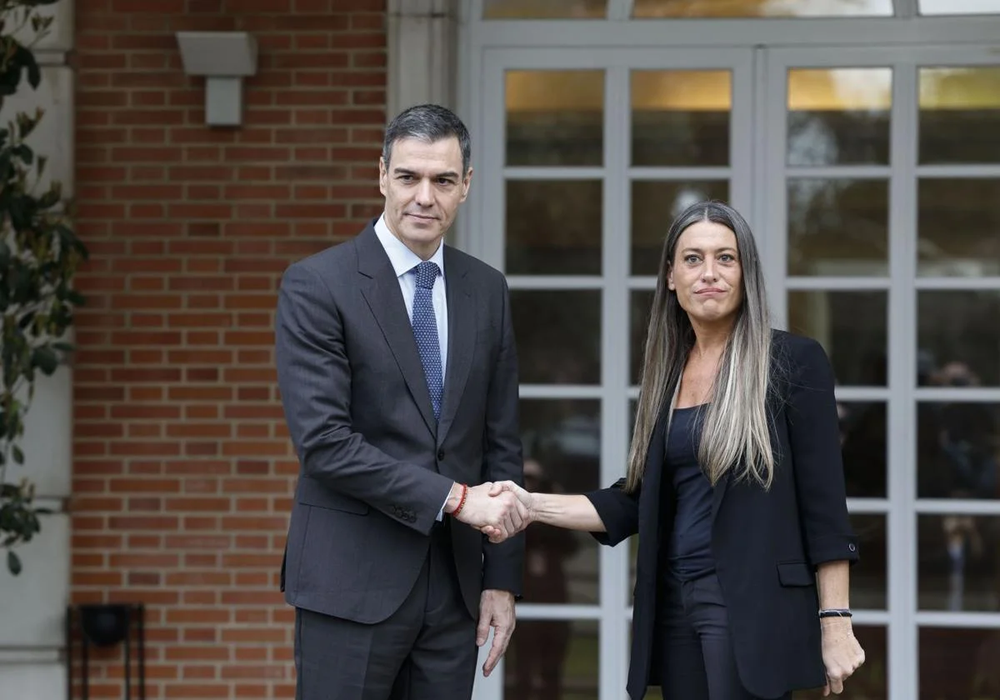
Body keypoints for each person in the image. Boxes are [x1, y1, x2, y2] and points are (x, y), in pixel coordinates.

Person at [486, 200, 866, 700]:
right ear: (671, 276)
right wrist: (530, 504)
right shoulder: (668, 375)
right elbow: (635, 500)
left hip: (749, 608)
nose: (709, 273)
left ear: (746, 272)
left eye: (725, 258)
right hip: (674, 602)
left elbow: (824, 506)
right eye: (693, 259)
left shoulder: (793, 361)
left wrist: (836, 621)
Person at [275, 103, 527, 700]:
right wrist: (456, 499)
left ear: (466, 185)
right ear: (382, 175)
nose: (424, 197)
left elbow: (502, 443)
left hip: (454, 592)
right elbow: (325, 444)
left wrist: (502, 579)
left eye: (443, 180)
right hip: (350, 583)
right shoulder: (319, 284)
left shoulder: (486, 289)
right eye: (409, 177)